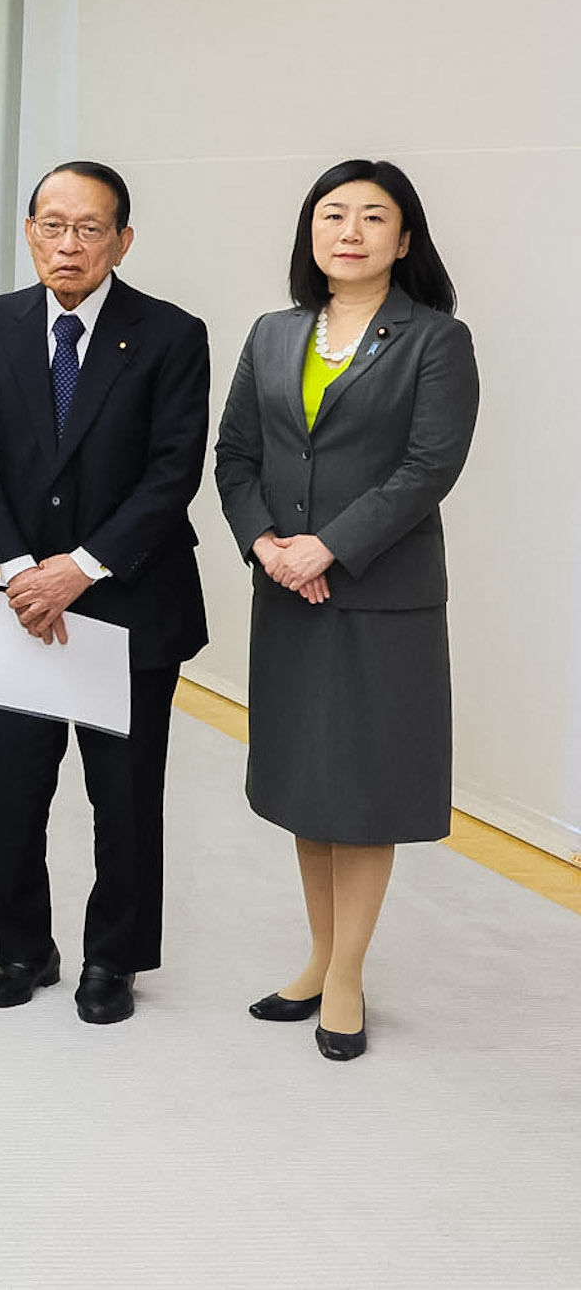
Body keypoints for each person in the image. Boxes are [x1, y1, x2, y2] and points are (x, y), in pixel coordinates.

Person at [214, 159, 476, 1062]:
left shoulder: (436, 340)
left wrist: (327, 547)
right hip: (288, 592)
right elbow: (235, 454)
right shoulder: (274, 333)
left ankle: (348, 977)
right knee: (307, 785)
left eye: (372, 216)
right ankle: (320, 957)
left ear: (404, 240)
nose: (350, 231)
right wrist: (266, 545)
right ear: (310, 233)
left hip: (379, 598)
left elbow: (429, 468)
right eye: (332, 214)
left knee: (363, 788)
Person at [0, 161, 209, 1026]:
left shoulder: (171, 335)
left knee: (124, 796)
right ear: (30, 232)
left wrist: (82, 567)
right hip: (20, 601)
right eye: (52, 226)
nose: (69, 244)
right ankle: (21, 948)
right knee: (9, 789)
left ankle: (113, 958)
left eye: (90, 229)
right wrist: (20, 571)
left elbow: (173, 473)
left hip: (127, 598)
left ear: (122, 241)